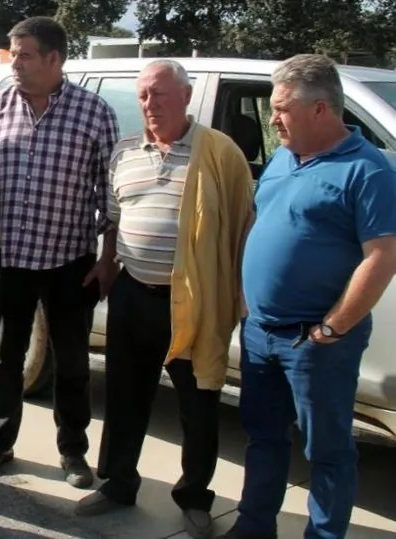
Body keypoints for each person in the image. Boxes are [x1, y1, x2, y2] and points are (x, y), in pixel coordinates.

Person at [218, 55, 396, 539]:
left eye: (282, 109)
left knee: (329, 452)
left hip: (316, 343)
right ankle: (254, 527)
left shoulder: (368, 170)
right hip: (260, 332)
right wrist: (244, 295)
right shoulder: (281, 158)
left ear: (320, 110)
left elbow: (381, 257)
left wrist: (332, 329)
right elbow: (260, 224)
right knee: (263, 439)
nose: (273, 120)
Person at [74, 60, 254, 539]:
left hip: (193, 299)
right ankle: (117, 483)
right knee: (124, 394)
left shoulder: (219, 153)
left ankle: (195, 496)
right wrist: (108, 265)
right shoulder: (125, 151)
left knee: (198, 402)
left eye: (158, 94)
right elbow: (113, 219)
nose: (148, 104)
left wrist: (237, 294)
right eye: (142, 96)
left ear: (186, 96)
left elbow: (243, 226)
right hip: (133, 292)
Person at [0, 15, 120, 488]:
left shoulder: (94, 113)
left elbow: (110, 192)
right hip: (10, 257)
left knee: (72, 362)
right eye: (13, 55)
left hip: (70, 260)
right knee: (5, 358)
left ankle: (73, 453)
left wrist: (108, 256)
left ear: (55, 59)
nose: (15, 64)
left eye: (25, 55)